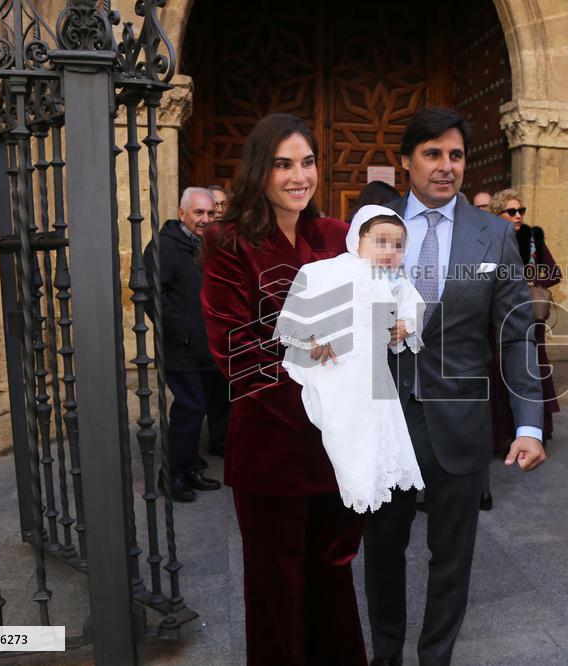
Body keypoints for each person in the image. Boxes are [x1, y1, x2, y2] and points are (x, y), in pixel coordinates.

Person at [364, 107, 546, 666]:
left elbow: (516, 336)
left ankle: (435, 657)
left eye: (456, 155)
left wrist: (529, 424)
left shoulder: (494, 235)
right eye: (433, 154)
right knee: (382, 553)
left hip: (460, 422)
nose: (447, 167)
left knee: (452, 557)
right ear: (406, 161)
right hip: (385, 419)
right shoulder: (372, 224)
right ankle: (386, 654)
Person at [200, 113, 368, 665]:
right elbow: (236, 352)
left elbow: (368, 318)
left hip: (336, 447)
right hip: (273, 445)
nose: (300, 176)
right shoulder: (230, 243)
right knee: (276, 589)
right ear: (260, 170)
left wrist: (387, 326)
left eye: (308, 162)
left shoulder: (336, 236)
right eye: (283, 164)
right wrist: (321, 381)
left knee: (333, 574)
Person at [274, 204, 425, 513]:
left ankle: (371, 484)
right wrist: (311, 337)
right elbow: (299, 306)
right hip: (333, 367)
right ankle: (354, 486)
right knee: (341, 426)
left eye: (398, 246)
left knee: (375, 429)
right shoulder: (327, 269)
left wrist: (404, 327)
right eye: (380, 241)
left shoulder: (397, 280)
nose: (389, 252)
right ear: (357, 239)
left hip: (371, 370)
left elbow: (414, 306)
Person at [143, 187, 224, 502]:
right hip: (181, 347)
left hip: (206, 347)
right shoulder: (165, 246)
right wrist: (182, 331)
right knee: (189, 408)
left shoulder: (205, 245)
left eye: (209, 213)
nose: (205, 219)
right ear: (182, 213)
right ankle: (172, 474)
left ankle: (190, 468)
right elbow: (152, 294)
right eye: (198, 213)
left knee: (199, 407)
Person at [489, 188, 563, 445]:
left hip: (530, 320)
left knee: (530, 371)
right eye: (511, 211)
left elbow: (554, 273)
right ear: (498, 214)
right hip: (497, 320)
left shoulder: (533, 240)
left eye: (521, 211)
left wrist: (528, 280)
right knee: (499, 374)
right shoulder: (489, 240)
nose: (518, 216)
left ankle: (534, 430)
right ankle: (503, 433)